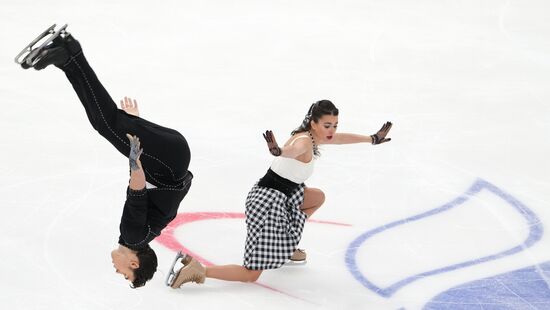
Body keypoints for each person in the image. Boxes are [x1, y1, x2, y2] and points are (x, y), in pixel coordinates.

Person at [18, 26, 193, 288]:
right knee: (106, 123)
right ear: (134, 263)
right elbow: (137, 189)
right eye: (125, 274)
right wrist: (134, 156)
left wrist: (134, 126)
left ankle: (67, 57)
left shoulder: (149, 231)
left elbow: (154, 188)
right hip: (166, 162)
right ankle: (69, 54)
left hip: (175, 155)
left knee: (109, 123)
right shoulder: (133, 236)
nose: (118, 271)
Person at [168, 99, 392, 288]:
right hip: (267, 203)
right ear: (314, 123)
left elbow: (341, 138)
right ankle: (199, 271)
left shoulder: (313, 135)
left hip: (282, 195)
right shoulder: (304, 141)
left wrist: (372, 138)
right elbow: (292, 151)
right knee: (251, 274)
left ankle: (285, 245)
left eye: (334, 124)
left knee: (316, 197)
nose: (332, 130)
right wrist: (279, 151)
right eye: (327, 125)